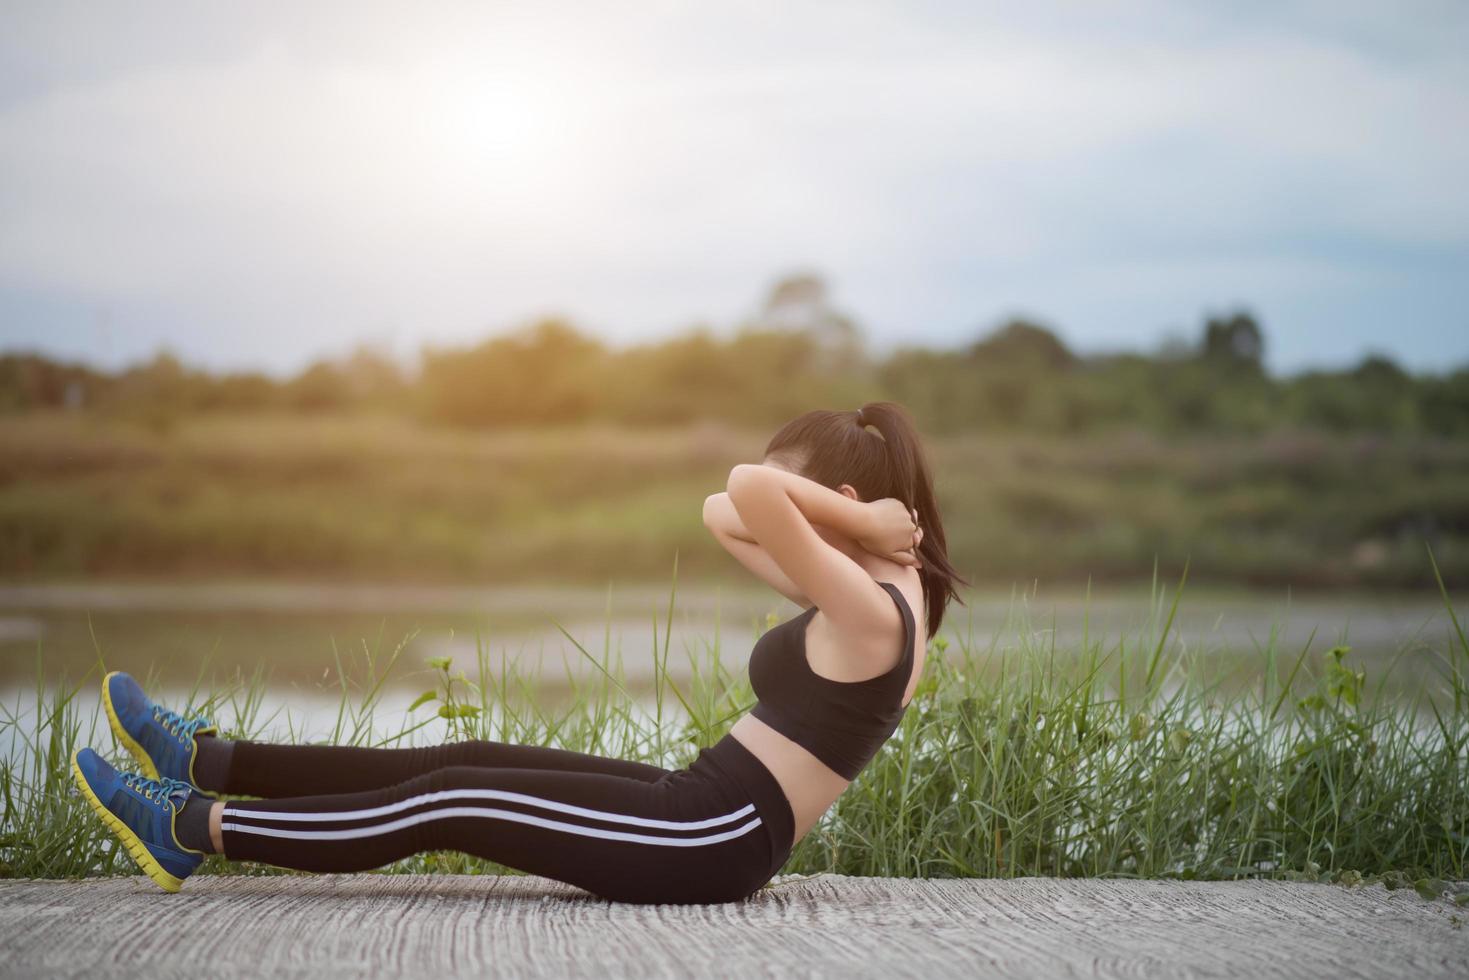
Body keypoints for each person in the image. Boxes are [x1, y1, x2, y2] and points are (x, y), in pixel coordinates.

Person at [71, 402, 965, 904]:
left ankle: (193, 827)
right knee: (463, 758)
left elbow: (742, 490)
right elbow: (724, 509)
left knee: (452, 800)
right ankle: (208, 759)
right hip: (698, 803)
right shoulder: (878, 589)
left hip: (712, 837)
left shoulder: (871, 612)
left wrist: (846, 516)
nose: (792, 511)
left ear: (844, 500)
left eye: (811, 499)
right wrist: (861, 520)